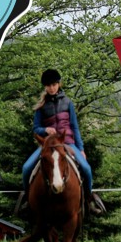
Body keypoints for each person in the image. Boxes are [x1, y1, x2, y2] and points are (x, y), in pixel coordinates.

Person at [17, 69, 105, 217]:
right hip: (48, 145)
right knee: (26, 168)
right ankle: (27, 200)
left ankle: (89, 201)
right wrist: (46, 130)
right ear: (45, 87)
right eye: (48, 85)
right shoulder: (41, 107)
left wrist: (81, 148)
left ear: (58, 84)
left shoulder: (68, 103)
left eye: (54, 84)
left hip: (68, 143)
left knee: (87, 169)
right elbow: (36, 129)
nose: (51, 88)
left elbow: (75, 127)